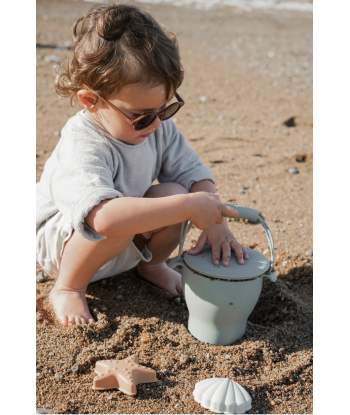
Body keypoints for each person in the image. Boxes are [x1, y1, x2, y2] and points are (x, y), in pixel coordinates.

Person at [36, 2, 249, 328]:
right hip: (65, 247)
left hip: (120, 239)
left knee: (175, 192)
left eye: (165, 109)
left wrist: (212, 215)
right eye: (142, 116)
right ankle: (68, 288)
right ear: (91, 101)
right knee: (134, 211)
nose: (156, 123)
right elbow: (103, 218)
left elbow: (192, 173)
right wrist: (188, 206)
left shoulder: (157, 127)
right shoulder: (83, 143)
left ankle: (150, 266)